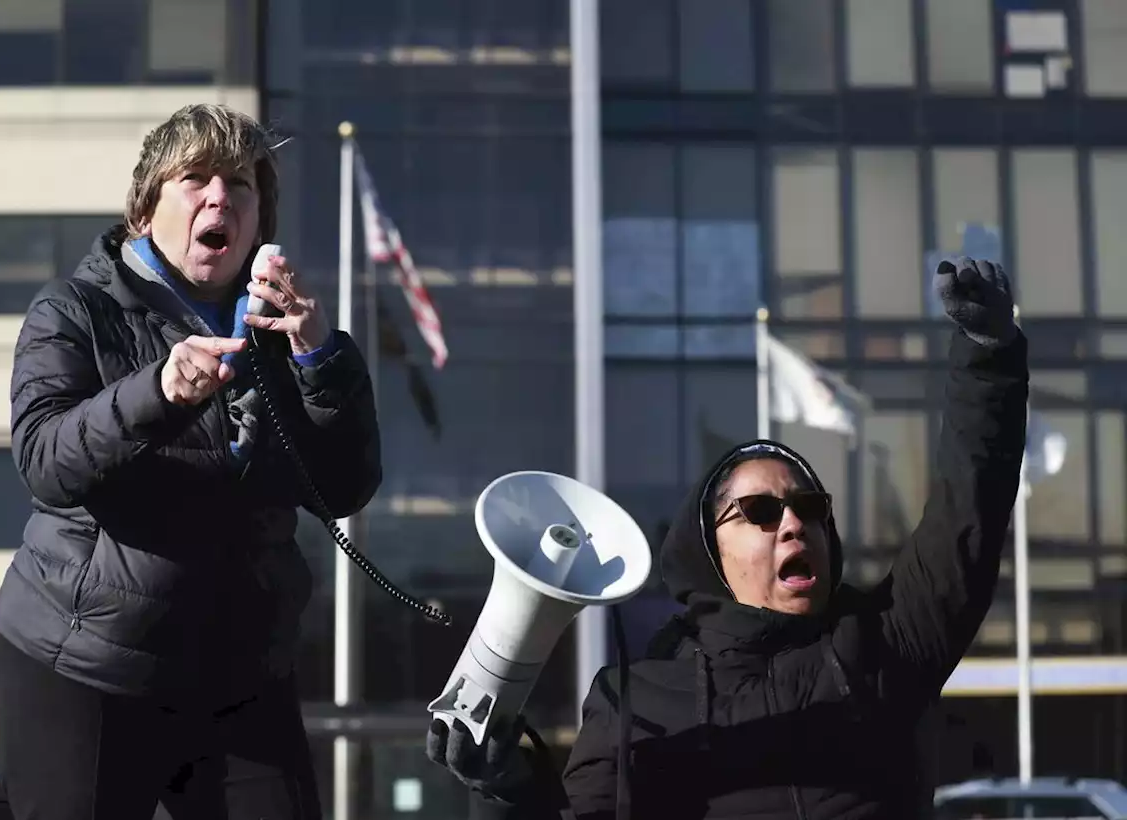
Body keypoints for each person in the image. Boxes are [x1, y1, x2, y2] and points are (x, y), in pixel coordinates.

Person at [427, 257, 1028, 819]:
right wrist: (508, 788)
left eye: (809, 507)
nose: (793, 523)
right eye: (761, 511)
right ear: (708, 550)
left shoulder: (883, 644)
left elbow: (966, 514)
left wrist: (986, 359)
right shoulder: (635, 695)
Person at [0, 103, 381, 820]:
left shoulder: (280, 331)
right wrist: (159, 391)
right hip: (89, 662)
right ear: (145, 208)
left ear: (259, 221)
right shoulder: (73, 311)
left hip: (239, 673)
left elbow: (344, 488)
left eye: (240, 184)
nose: (219, 197)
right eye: (194, 178)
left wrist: (321, 360)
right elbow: (45, 460)